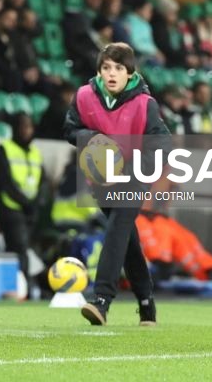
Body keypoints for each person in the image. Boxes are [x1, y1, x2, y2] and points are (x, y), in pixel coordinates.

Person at [63, 43, 170, 326]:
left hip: (135, 174)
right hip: (99, 176)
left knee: (116, 228)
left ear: (130, 73)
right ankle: (146, 302)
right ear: (99, 71)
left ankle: (101, 300)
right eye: (106, 68)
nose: (112, 74)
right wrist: (91, 138)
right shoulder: (85, 96)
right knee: (125, 236)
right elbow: (70, 129)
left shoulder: (146, 104)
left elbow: (162, 144)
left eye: (119, 68)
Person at [0, 114, 43, 290]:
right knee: (19, 248)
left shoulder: (35, 152)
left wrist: (34, 205)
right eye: (23, 126)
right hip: (11, 209)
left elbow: (41, 181)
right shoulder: (3, 149)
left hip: (30, 210)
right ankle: (25, 289)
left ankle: (15, 287)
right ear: (15, 128)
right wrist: (25, 203)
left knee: (25, 249)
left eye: (29, 126)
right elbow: (5, 183)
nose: (26, 130)